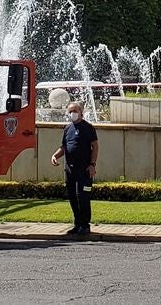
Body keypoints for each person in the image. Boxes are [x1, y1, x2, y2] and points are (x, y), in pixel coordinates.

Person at [50, 100, 98, 237]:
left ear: (81, 112)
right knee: (72, 197)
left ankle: (85, 225)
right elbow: (64, 147)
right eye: (70, 111)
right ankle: (77, 224)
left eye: (75, 111)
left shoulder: (88, 128)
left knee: (83, 197)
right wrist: (55, 155)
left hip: (84, 170)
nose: (72, 114)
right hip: (70, 170)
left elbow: (95, 146)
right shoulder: (67, 128)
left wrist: (92, 164)